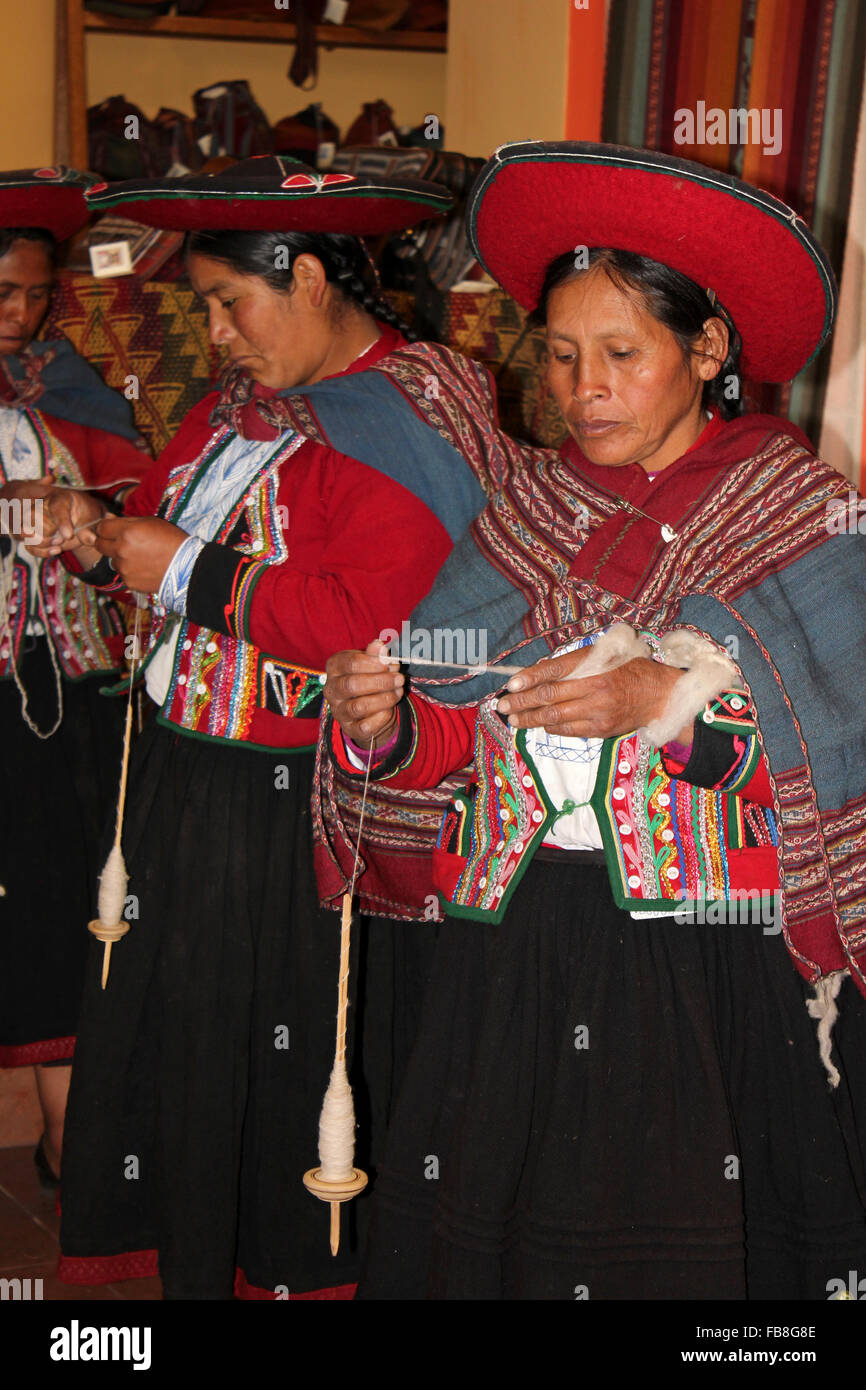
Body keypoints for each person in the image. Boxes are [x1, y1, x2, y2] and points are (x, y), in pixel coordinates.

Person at [322, 141, 866, 1300]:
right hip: (515, 947)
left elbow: (835, 749)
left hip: (702, 963)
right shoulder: (526, 511)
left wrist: (667, 706)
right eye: (562, 357)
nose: (583, 390)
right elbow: (458, 715)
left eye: (620, 354)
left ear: (705, 349)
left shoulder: (801, 514)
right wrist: (387, 716)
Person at [50, 155, 537, 1300]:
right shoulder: (239, 415)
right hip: (189, 788)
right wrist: (109, 545)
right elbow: (166, 536)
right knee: (186, 1048)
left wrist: (187, 570)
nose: (215, 335)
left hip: (291, 816)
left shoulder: (405, 413)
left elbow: (376, 623)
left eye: (229, 304)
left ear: (310, 278)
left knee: (276, 1061)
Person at [0, 167, 150, 1192]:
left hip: (60, 690)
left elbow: (133, 496)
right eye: (0, 293)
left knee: (62, 891)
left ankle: (72, 1130)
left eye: (33, 294)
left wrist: (77, 511)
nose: (18, 314)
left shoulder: (63, 384)